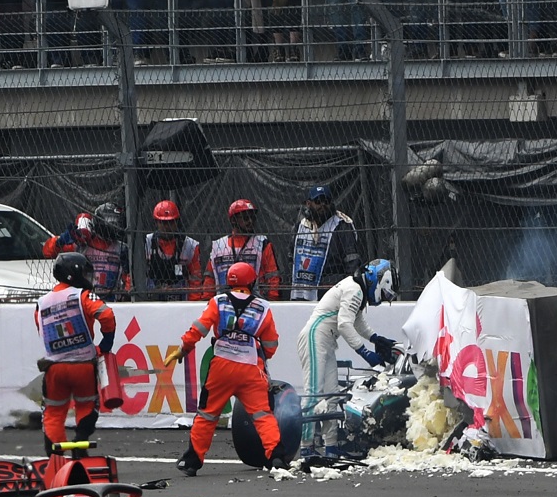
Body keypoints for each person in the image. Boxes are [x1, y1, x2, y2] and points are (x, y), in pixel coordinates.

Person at [164, 261, 286, 476]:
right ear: (252, 282)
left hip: (221, 366)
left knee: (207, 414)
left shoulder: (217, 301)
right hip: (251, 368)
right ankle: (276, 456)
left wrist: (183, 350)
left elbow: (197, 330)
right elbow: (271, 345)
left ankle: (192, 461)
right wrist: (260, 356)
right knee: (262, 414)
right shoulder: (264, 308)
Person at [296, 258, 398, 462]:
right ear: (380, 280)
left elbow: (357, 322)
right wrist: (364, 352)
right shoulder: (354, 290)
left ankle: (331, 447)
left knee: (332, 395)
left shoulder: (357, 290)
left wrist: (376, 338)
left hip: (325, 340)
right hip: (315, 337)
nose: (381, 298)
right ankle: (306, 447)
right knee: (314, 392)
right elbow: (344, 324)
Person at [35, 251, 117, 454]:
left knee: (53, 412)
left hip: (55, 367)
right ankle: (80, 444)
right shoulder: (83, 295)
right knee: (86, 406)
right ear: (74, 273)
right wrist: (106, 341)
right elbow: (106, 314)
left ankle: (55, 455)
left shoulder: (41, 303)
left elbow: (40, 329)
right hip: (83, 366)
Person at [42, 202, 131, 300]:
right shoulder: (81, 243)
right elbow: (47, 252)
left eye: (117, 224)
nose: (115, 227)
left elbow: (128, 283)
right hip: (83, 298)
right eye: (112, 223)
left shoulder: (122, 249)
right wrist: (62, 239)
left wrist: (127, 276)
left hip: (111, 298)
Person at [289, 184, 360, 300]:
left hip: (330, 290)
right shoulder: (301, 225)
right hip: (301, 291)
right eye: (318, 201)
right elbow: (291, 256)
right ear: (309, 203)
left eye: (326, 201)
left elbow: (352, 263)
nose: (323, 205)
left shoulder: (341, 226)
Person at [200, 198, 281, 299]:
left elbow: (272, 275)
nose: (250, 221)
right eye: (246, 218)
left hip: (253, 302)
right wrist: (206, 299)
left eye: (253, 218)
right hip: (223, 302)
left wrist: (273, 300)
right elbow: (210, 278)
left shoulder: (262, 243)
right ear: (233, 220)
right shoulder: (218, 246)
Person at [144, 199, 202, 300]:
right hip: (152, 297)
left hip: (179, 298)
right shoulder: (146, 242)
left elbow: (195, 278)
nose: (167, 226)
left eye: (170, 222)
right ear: (156, 222)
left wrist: (193, 302)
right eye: (163, 222)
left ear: (177, 222)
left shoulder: (190, 245)